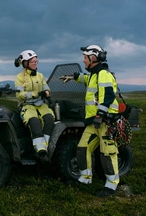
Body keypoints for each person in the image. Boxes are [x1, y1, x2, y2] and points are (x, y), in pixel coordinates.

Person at [60, 45, 120, 197]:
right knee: (82, 147)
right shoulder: (94, 75)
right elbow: (85, 78)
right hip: (94, 122)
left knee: (108, 153)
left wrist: (100, 115)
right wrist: (73, 76)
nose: (83, 60)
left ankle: (112, 185)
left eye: (85, 58)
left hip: (105, 122)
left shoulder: (103, 75)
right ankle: (85, 178)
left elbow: (107, 96)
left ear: (93, 59)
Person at [14, 50, 55, 164]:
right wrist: (35, 93)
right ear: (25, 63)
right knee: (34, 122)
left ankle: (43, 150)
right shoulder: (19, 77)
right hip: (27, 105)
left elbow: (47, 90)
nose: (35, 63)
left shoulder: (40, 76)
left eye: (36, 61)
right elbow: (20, 95)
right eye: (32, 62)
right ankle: (40, 152)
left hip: (41, 105)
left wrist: (46, 93)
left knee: (49, 119)